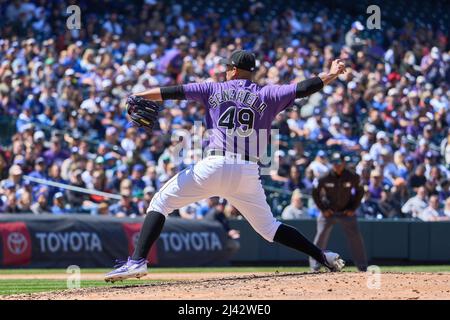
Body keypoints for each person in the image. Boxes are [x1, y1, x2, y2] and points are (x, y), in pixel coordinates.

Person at [105, 50, 347, 282]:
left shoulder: (213, 88)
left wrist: (140, 96)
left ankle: (137, 261)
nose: (225, 71)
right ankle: (322, 256)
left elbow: (172, 92)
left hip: (216, 164)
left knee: (160, 202)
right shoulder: (268, 94)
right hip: (248, 172)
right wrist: (332, 73)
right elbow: (305, 88)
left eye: (227, 68)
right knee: (269, 228)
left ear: (232, 70)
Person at [310, 152, 367, 272]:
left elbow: (360, 191)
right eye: (335, 163)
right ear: (332, 164)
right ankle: (315, 266)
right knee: (320, 236)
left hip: (346, 212)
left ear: (344, 163)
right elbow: (315, 192)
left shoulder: (352, 176)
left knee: (356, 238)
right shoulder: (324, 177)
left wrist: (352, 208)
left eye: (339, 163)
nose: (337, 166)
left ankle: (362, 267)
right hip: (328, 212)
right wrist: (323, 209)